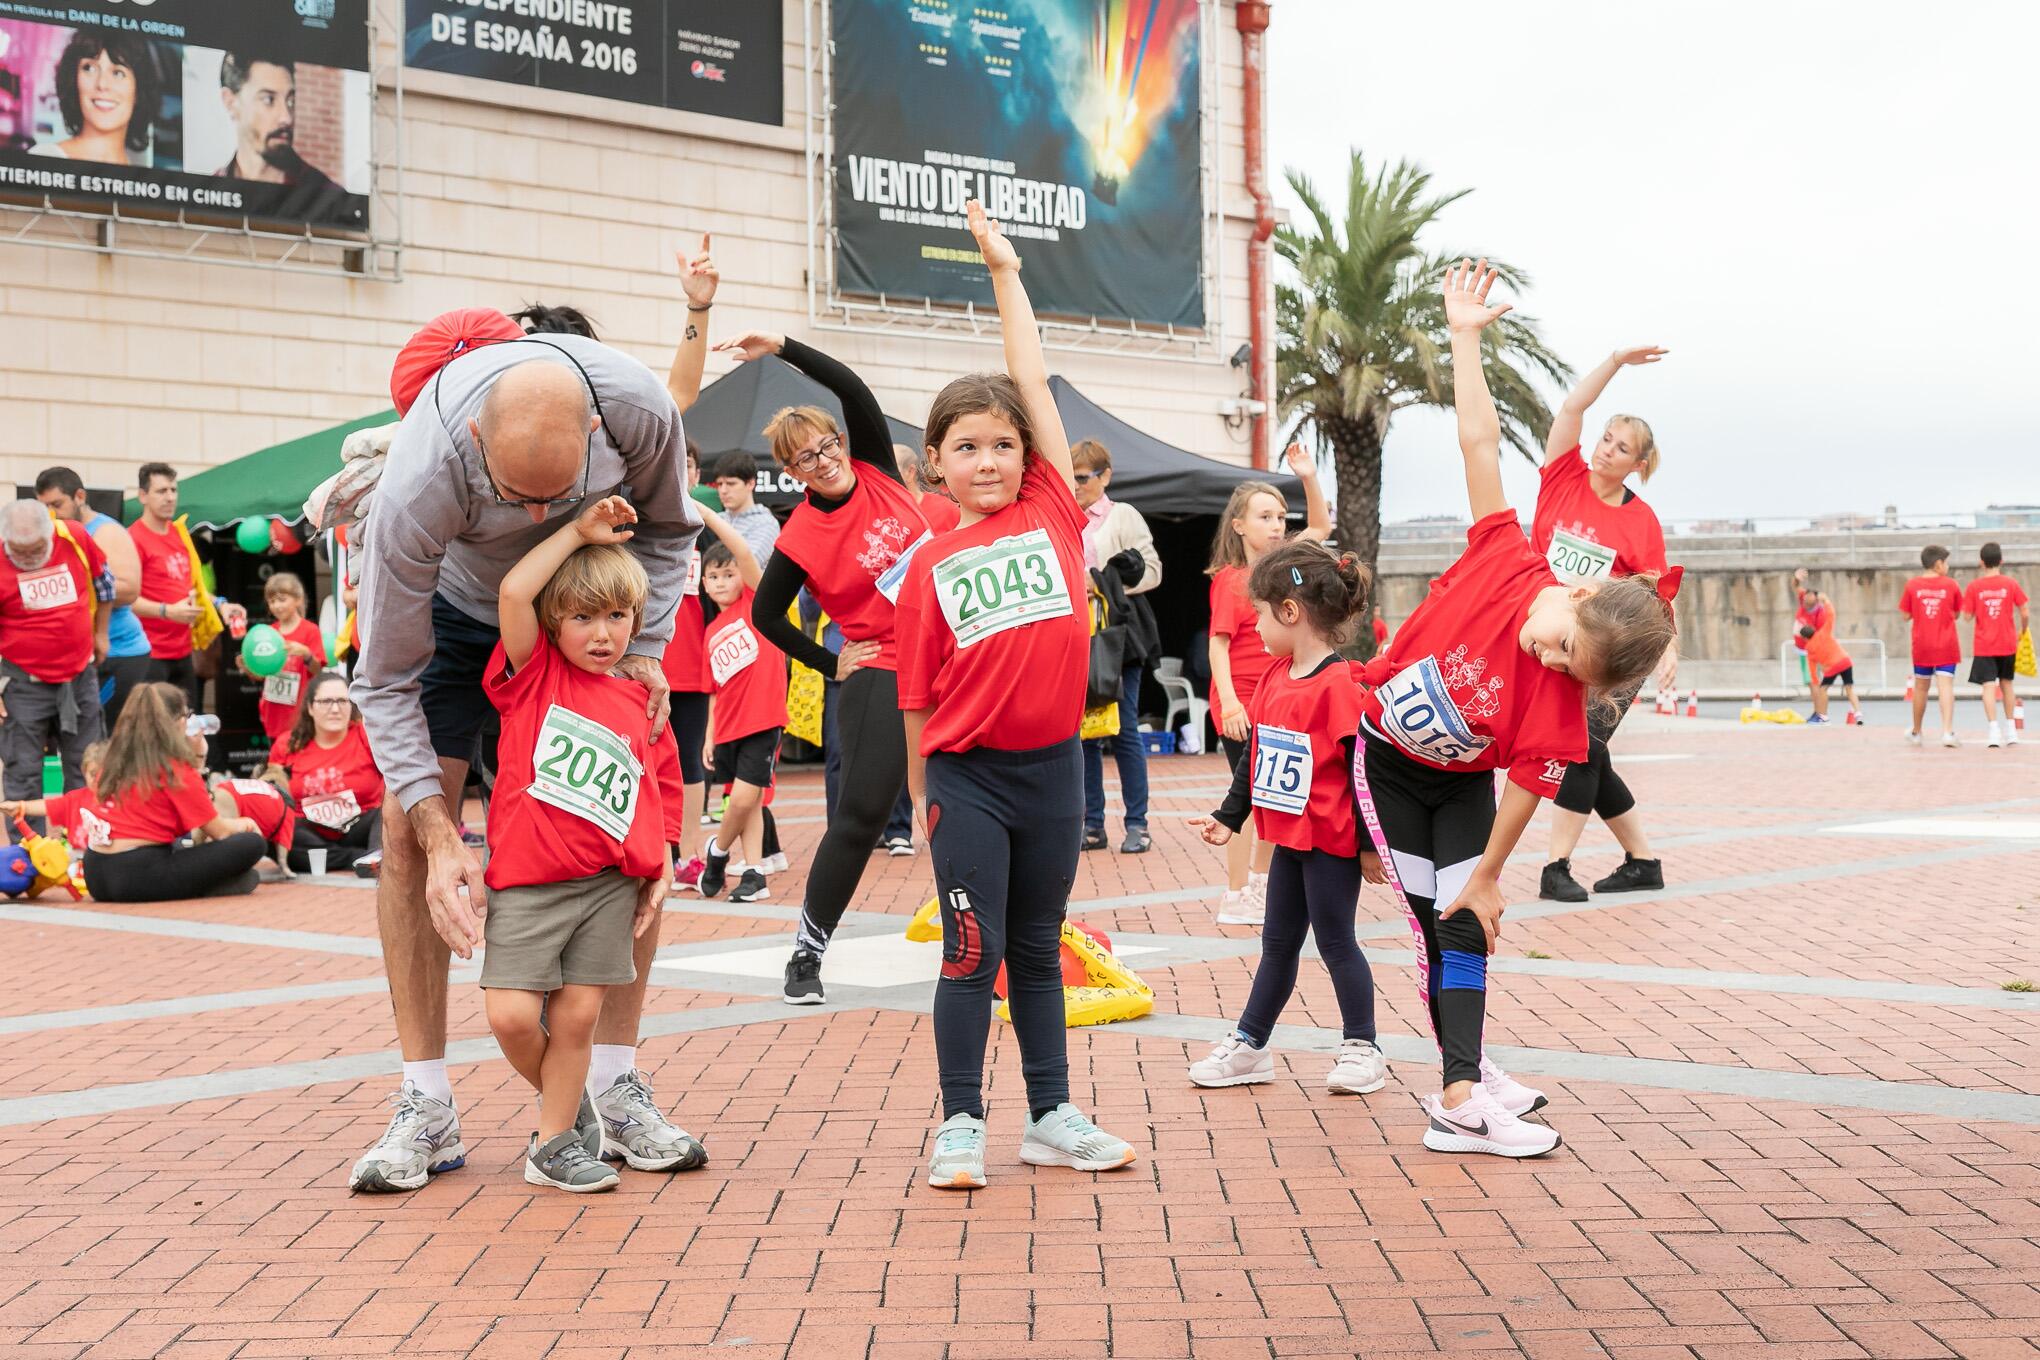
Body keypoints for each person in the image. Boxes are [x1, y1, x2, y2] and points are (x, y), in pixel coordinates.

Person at [347, 322, 705, 1194]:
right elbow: (387, 680)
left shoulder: (638, 410)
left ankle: (614, 1086)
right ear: (474, 442)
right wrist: (441, 839)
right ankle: (425, 1104)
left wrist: (648, 645)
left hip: (589, 606)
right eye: (515, 495)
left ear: (593, 433)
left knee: (617, 817)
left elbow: (668, 531)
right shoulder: (417, 483)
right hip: (464, 618)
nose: (535, 516)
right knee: (404, 823)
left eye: (556, 495)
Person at [1356, 261, 1677, 1158]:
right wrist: (1464, 340)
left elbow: (1531, 785)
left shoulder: (1561, 695)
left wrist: (1493, 874)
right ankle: (1461, 1093)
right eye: (1563, 649)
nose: (1551, 666)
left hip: (1456, 788)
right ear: (1576, 597)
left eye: (1575, 675)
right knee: (1435, 924)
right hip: (1382, 762)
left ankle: (1466, 1077)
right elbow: (1479, 445)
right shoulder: (1507, 553)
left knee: (1464, 921)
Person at [898, 201, 1136, 1189]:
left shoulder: (1053, 509)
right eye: (966, 447)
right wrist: (922, 795)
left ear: (1027, 459)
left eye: (1002, 444)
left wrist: (1006, 272)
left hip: (1053, 775)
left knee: (1037, 950)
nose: (988, 460)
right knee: (969, 949)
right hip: (968, 781)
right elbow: (915, 694)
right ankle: (960, 1123)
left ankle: (1052, 1113)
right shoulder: (929, 563)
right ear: (937, 462)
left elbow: (1030, 376)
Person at [708, 334, 925, 1005]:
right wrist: (834, 662)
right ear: (793, 473)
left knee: (979, 794)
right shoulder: (799, 535)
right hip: (880, 660)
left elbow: (853, 387)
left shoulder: (881, 471)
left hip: (949, 650)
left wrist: (780, 347)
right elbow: (769, 617)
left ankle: (1007, 935)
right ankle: (807, 951)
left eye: (828, 445)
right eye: (807, 458)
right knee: (861, 814)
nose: (825, 459)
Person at [475, 494, 680, 1193]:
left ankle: (554, 1141)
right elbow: (513, 589)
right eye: (583, 617)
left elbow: (662, 786)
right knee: (508, 1015)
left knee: (580, 1015)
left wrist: (664, 860)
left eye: (617, 617)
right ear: (552, 625)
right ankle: (572, 1112)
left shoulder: (642, 700)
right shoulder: (534, 676)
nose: (602, 633)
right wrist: (577, 531)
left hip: (607, 885)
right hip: (528, 881)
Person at [1187, 542, 1386, 1096]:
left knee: (1336, 942)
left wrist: (1370, 846)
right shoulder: (1274, 678)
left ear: (1291, 612)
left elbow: (1361, 773)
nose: (1254, 624)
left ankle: (1363, 1046)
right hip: (1287, 842)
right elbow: (1257, 758)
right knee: (1277, 944)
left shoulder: (1339, 685)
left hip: (1330, 842)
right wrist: (1229, 817)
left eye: (1260, 613)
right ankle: (1251, 1045)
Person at [1530, 344, 1674, 903]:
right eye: (1606, 439)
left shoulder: (1640, 521)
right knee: (1593, 752)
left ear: (1638, 463)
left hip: (1613, 647)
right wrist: (1613, 362)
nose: (1606, 451)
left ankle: (1556, 866)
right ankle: (1642, 861)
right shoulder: (1562, 476)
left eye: (1622, 449)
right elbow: (1570, 409)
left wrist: (1669, 651)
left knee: (1582, 748)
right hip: (1556, 634)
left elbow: (1659, 597)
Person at [1206, 446, 1330, 924]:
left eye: (1281, 516)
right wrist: (1232, 704)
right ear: (1238, 524)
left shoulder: (1283, 571)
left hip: (1279, 700)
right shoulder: (1230, 580)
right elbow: (1218, 646)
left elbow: (1319, 529)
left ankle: (1257, 886)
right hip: (1242, 703)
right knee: (1251, 798)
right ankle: (1238, 893)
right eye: (1264, 517)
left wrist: (1309, 477)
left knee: (1272, 795)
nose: (1277, 525)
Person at [72, 683, 266, 902]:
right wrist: (245, 823)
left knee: (175, 847)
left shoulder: (113, 760)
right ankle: (208, 884)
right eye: (187, 715)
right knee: (252, 843)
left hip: (95, 872)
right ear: (178, 722)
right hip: (137, 874)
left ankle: (207, 883)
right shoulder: (175, 769)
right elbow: (219, 831)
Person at [1072, 439, 1162, 854]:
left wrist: (1101, 583)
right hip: (1076, 635)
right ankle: (1092, 824)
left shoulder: (1121, 515)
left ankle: (1137, 823)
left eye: (1082, 477)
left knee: (1123, 726)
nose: (1075, 485)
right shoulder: (1064, 516)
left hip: (1119, 635)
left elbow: (1153, 572)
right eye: (1069, 477)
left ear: (1105, 476)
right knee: (1085, 730)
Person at [694, 510, 785, 904]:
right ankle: (754, 873)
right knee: (743, 805)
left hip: (763, 721)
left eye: (727, 574)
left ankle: (716, 852)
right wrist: (709, 737)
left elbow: (744, 552)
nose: (721, 582)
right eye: (713, 576)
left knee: (749, 798)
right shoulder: (710, 631)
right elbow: (713, 689)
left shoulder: (756, 604)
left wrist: (705, 514)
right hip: (727, 728)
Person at [0, 498, 109, 826]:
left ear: (50, 533)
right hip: (22, 681)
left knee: (88, 766)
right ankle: (28, 859)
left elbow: (105, 584)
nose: (31, 558)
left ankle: (85, 849)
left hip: (78, 675)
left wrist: (101, 634)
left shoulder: (74, 536)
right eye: (21, 551)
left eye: (37, 549)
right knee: (23, 773)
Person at [35, 467, 149, 728]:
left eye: (57, 504)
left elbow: (130, 589)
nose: (52, 514)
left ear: (79, 496)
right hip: (76, 656)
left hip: (118, 651)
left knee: (100, 733)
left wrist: (70, 590)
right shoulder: (53, 533)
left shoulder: (106, 532)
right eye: (45, 508)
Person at [661, 442, 716, 893]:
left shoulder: (710, 531)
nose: (681, 471)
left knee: (689, 761)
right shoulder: (640, 522)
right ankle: (655, 853)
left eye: (689, 464)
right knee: (646, 760)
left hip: (695, 666)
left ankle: (689, 853)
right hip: (644, 665)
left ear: (697, 474)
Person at [264, 671, 385, 875]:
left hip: (361, 825)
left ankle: (373, 854)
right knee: (277, 830)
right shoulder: (286, 745)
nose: (335, 709)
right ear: (310, 707)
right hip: (308, 832)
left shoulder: (366, 736)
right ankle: (362, 858)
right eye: (326, 701)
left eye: (342, 701)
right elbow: (274, 799)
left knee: (390, 811)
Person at [213, 53, 346, 215]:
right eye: (269, 100)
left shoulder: (328, 198)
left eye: (291, 102)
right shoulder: (208, 192)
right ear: (230, 102)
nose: (287, 118)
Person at [129, 463, 204, 709]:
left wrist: (221, 605)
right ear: (143, 496)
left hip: (182, 650)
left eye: (173, 490)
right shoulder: (133, 539)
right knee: (154, 734)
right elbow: (125, 600)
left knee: (188, 727)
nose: (170, 497)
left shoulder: (179, 533)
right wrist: (167, 611)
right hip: (150, 653)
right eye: (161, 491)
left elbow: (192, 587)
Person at [32, 31, 157, 166]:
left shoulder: (142, 180)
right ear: (74, 80)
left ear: (138, 90)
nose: (102, 84)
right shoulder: (42, 159)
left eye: (118, 73)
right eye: (89, 68)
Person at [244, 572, 326, 743]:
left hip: (300, 710)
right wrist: (248, 667)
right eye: (272, 601)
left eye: (282, 600)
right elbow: (261, 675)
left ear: (298, 599)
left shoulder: (310, 630)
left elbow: (318, 669)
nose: (277, 606)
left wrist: (306, 653)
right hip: (274, 711)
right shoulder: (269, 633)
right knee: (278, 759)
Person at [1963, 542, 2028, 747]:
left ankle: (1993, 730)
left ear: (1981, 562)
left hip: (1984, 645)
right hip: (2007, 642)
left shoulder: (1974, 587)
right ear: (2001, 560)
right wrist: (2023, 630)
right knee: (2007, 684)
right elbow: (2024, 611)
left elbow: (1966, 616)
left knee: (1988, 687)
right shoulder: (2011, 583)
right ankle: (2011, 731)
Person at [1901, 546, 1963, 747]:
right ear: (1938, 564)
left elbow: (1905, 614)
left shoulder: (1912, 586)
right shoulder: (1951, 585)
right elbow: (1957, 612)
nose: (1947, 566)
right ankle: (1947, 732)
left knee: (1920, 687)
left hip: (1922, 645)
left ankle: (1917, 731)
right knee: (1945, 685)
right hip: (1946, 644)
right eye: (1946, 562)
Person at [4, 740, 110, 853]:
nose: (98, 780)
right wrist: (20, 806)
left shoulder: (123, 800)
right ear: (84, 772)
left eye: (106, 775)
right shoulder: (75, 798)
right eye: (93, 774)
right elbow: (49, 806)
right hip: (77, 859)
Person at [1792, 568, 1860, 724]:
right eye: (1805, 594)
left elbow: (1826, 630)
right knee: (1812, 684)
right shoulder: (1804, 602)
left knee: (1814, 683)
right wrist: (1796, 578)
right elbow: (1795, 586)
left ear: (1815, 599)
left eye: (1810, 595)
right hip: (1804, 650)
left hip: (1810, 652)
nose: (1805, 596)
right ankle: (1819, 713)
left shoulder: (1820, 614)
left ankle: (1820, 713)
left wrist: (1827, 601)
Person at [709, 453, 782, 562]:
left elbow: (747, 564)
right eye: (719, 484)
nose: (723, 490)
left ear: (750, 484)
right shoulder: (718, 519)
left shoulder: (766, 523)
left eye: (731, 483)